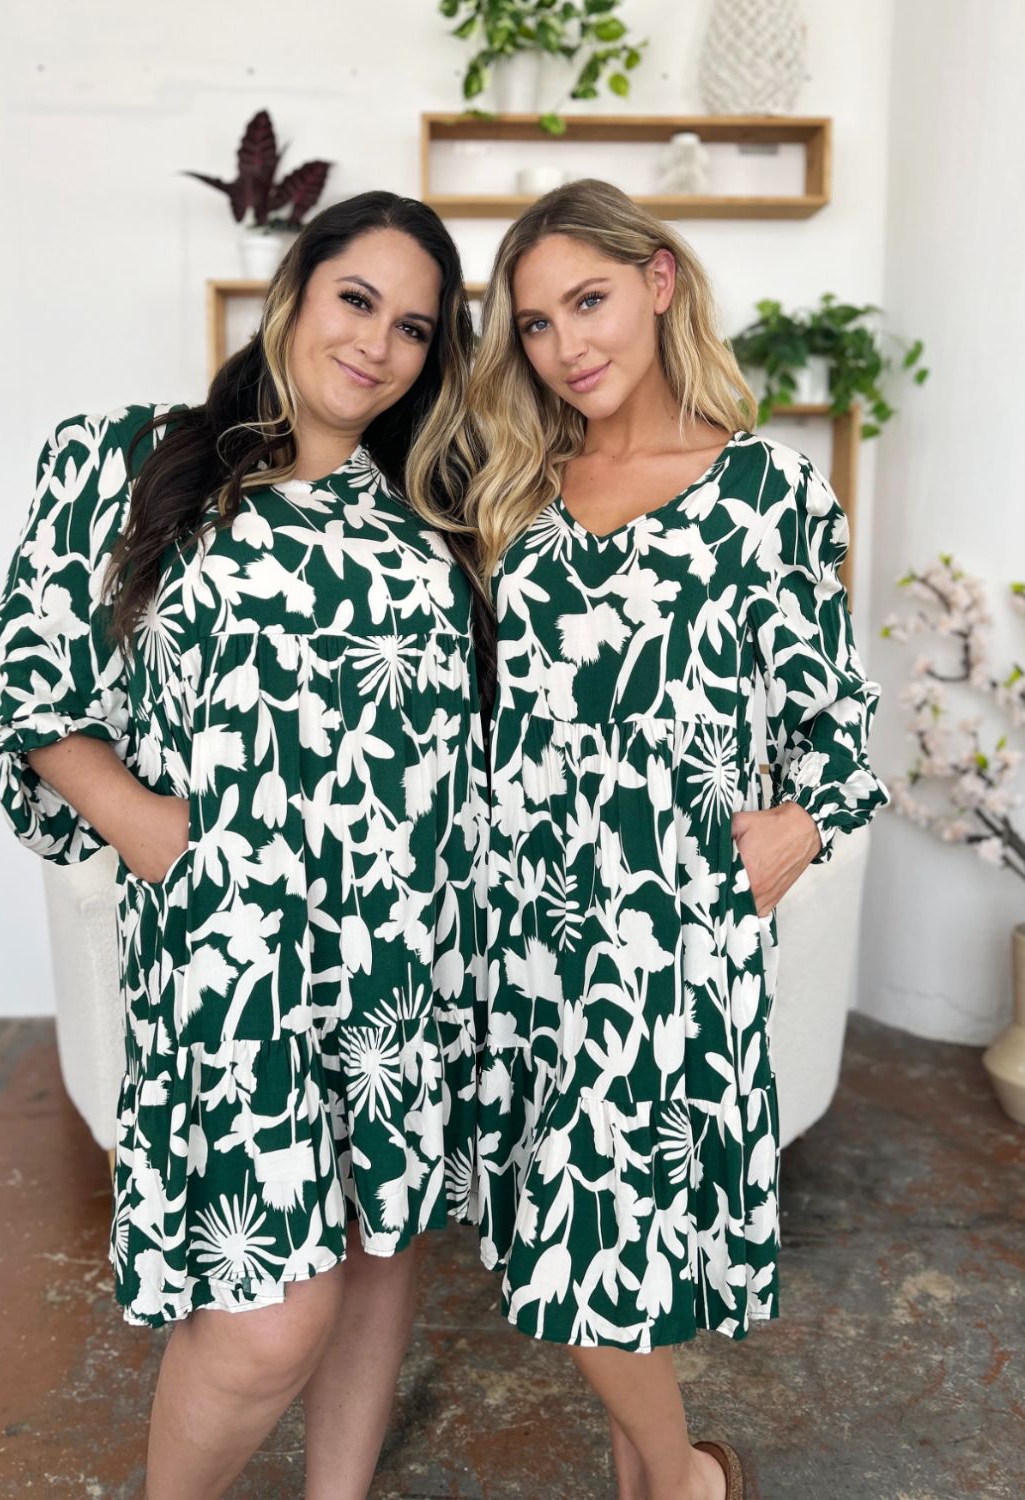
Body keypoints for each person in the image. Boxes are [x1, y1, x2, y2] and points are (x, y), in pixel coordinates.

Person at [0, 191, 491, 1500]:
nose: (375, 345)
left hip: (402, 956)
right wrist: (155, 834)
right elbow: (30, 688)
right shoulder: (129, 455)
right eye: (356, 300)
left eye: (414, 328)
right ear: (296, 289)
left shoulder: (434, 529)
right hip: (226, 953)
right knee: (269, 1315)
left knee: (380, 1246)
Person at [465, 179, 889, 1500]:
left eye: (585, 300)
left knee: (590, 1248)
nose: (564, 344)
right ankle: (652, 1480)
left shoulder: (766, 491)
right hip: (516, 921)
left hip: (667, 921)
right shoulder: (512, 487)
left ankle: (689, 1479)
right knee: (593, 1240)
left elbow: (843, 728)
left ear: (655, 282)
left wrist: (802, 826)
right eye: (532, 325)